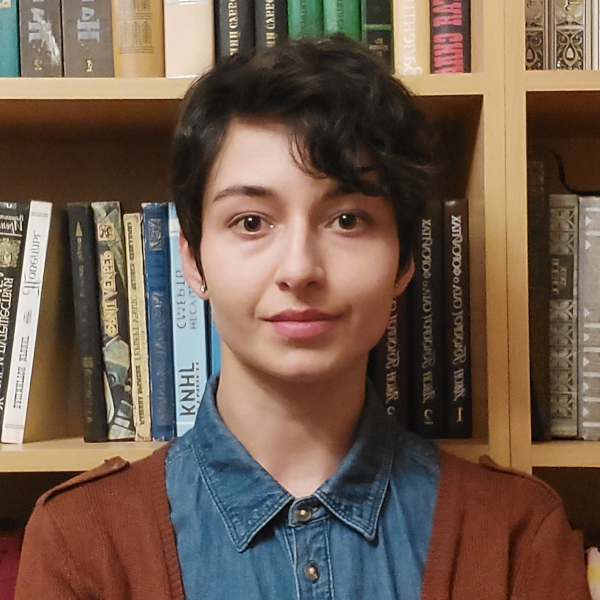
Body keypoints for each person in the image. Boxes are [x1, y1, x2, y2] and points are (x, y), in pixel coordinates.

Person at [15, 35, 590, 600]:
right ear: (191, 261)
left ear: (405, 260)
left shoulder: (516, 534)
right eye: (250, 222)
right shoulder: (82, 541)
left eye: (347, 220)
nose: (299, 270)